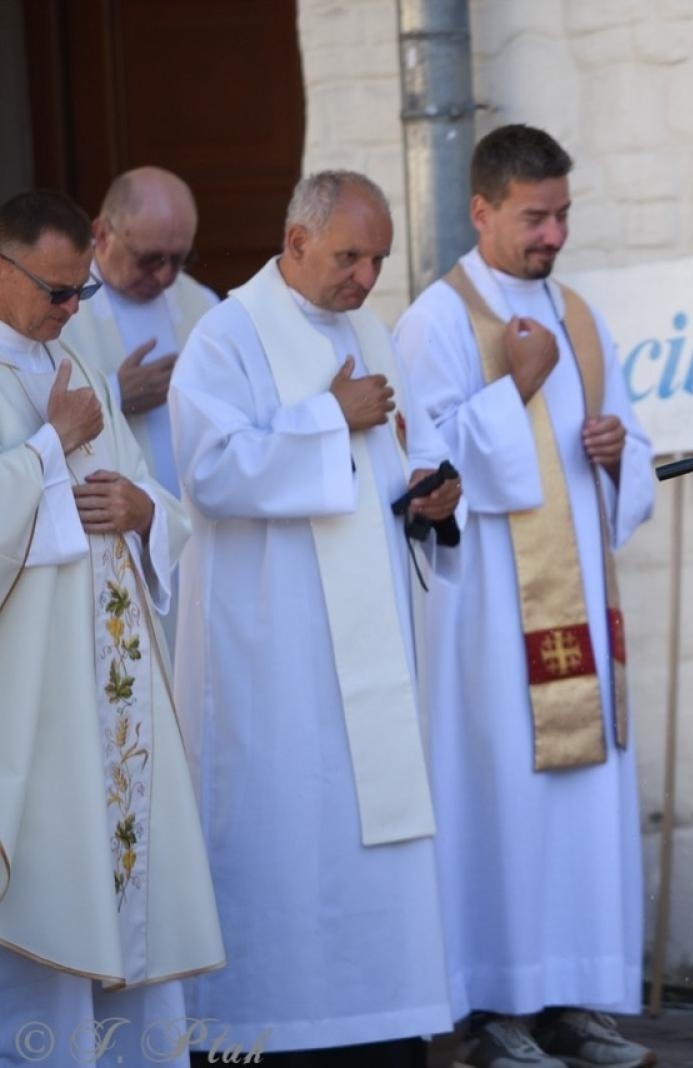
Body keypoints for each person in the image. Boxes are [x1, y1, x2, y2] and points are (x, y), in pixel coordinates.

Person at [169, 171, 462, 1066]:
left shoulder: (370, 332)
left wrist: (429, 500)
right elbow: (210, 471)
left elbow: (396, 463)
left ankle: (377, 1023)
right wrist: (328, 417)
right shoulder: (225, 338)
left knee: (369, 845)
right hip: (273, 649)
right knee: (286, 832)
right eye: (349, 257)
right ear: (295, 243)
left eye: (378, 258)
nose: (367, 278)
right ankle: (274, 1030)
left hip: (368, 650)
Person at [394, 125, 655, 1068]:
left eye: (562, 216)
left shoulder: (579, 314)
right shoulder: (436, 320)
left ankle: (572, 1000)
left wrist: (622, 454)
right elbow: (424, 471)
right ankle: (496, 1007)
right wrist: (521, 389)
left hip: (580, 603)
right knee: (503, 796)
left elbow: (630, 439)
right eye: (534, 217)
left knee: (580, 804)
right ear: (482, 210)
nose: (552, 235)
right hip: (490, 618)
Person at [0, 190, 223, 1066]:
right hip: (28, 703)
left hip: (105, 698)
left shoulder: (80, 373)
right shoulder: (62, 398)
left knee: (122, 895)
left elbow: (155, 505)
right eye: (54, 292)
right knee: (48, 901)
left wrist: (141, 510)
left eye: (78, 294)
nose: (68, 311)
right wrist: (49, 448)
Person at [61, 166, 218, 652]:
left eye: (180, 258)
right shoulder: (61, 305)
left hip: (193, 540)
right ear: (101, 233)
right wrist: (115, 393)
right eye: (151, 259)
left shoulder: (202, 305)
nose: (167, 276)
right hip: (109, 549)